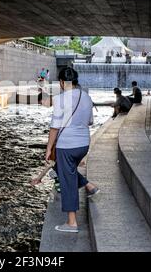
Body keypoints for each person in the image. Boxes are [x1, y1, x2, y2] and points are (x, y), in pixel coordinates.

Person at [43, 67, 99, 233]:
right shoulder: (87, 97)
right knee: (65, 170)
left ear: (61, 82)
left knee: (67, 182)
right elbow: (89, 121)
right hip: (83, 145)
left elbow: (54, 127)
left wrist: (48, 149)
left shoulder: (61, 99)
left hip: (67, 145)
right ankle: (90, 187)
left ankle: (71, 223)